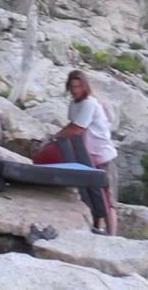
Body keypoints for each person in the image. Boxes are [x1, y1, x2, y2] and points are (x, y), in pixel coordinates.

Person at [53, 70, 119, 235]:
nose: (76, 90)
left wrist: (56, 136)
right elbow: (73, 124)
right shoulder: (74, 104)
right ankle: (97, 229)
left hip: (102, 156)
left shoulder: (89, 103)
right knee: (92, 195)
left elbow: (77, 127)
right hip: (87, 156)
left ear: (85, 86)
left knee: (107, 200)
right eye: (73, 86)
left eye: (79, 86)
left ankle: (112, 235)